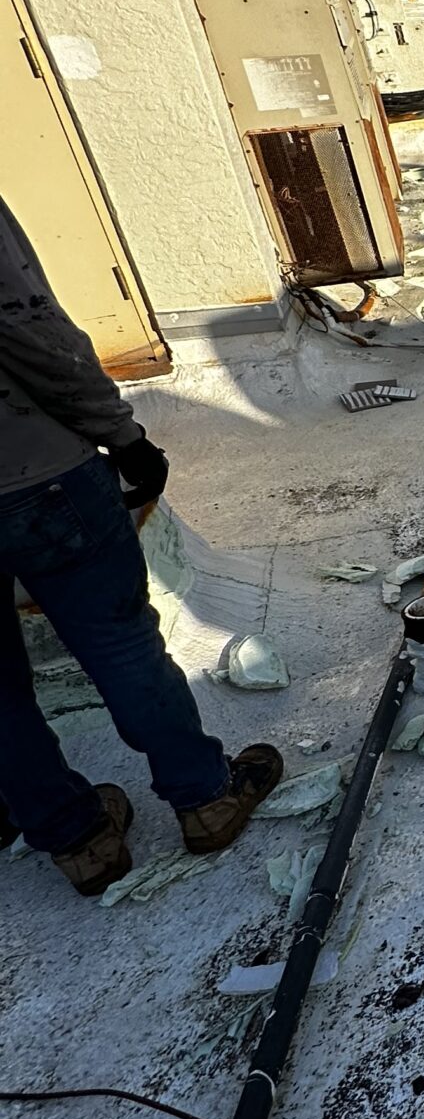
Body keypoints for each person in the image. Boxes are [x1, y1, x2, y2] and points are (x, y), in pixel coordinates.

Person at [0, 194, 283, 895]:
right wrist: (122, 435)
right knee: (122, 645)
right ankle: (205, 798)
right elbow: (29, 330)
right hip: (36, 474)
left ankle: (78, 841)